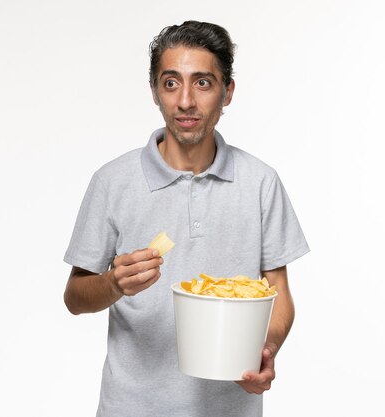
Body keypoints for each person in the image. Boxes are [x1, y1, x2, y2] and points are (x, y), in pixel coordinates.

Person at [63, 21, 310, 417]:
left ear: (227, 92)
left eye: (203, 83)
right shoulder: (112, 181)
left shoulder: (261, 182)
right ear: (155, 92)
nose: (185, 102)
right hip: (131, 407)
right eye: (171, 83)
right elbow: (75, 297)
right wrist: (112, 283)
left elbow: (277, 291)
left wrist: (266, 351)